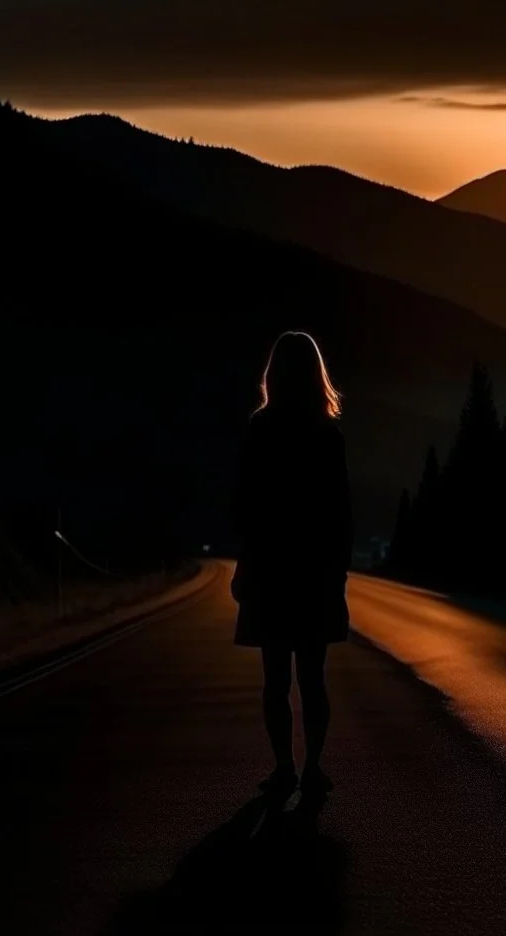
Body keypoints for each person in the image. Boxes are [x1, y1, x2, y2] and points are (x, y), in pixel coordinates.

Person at [231, 331, 352, 796]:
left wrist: (246, 563)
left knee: (275, 679)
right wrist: (338, 570)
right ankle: (313, 767)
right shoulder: (327, 434)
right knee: (313, 678)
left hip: (270, 571)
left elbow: (245, 506)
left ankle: (284, 767)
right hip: (316, 572)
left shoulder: (261, 430)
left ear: (273, 374)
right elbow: (341, 511)